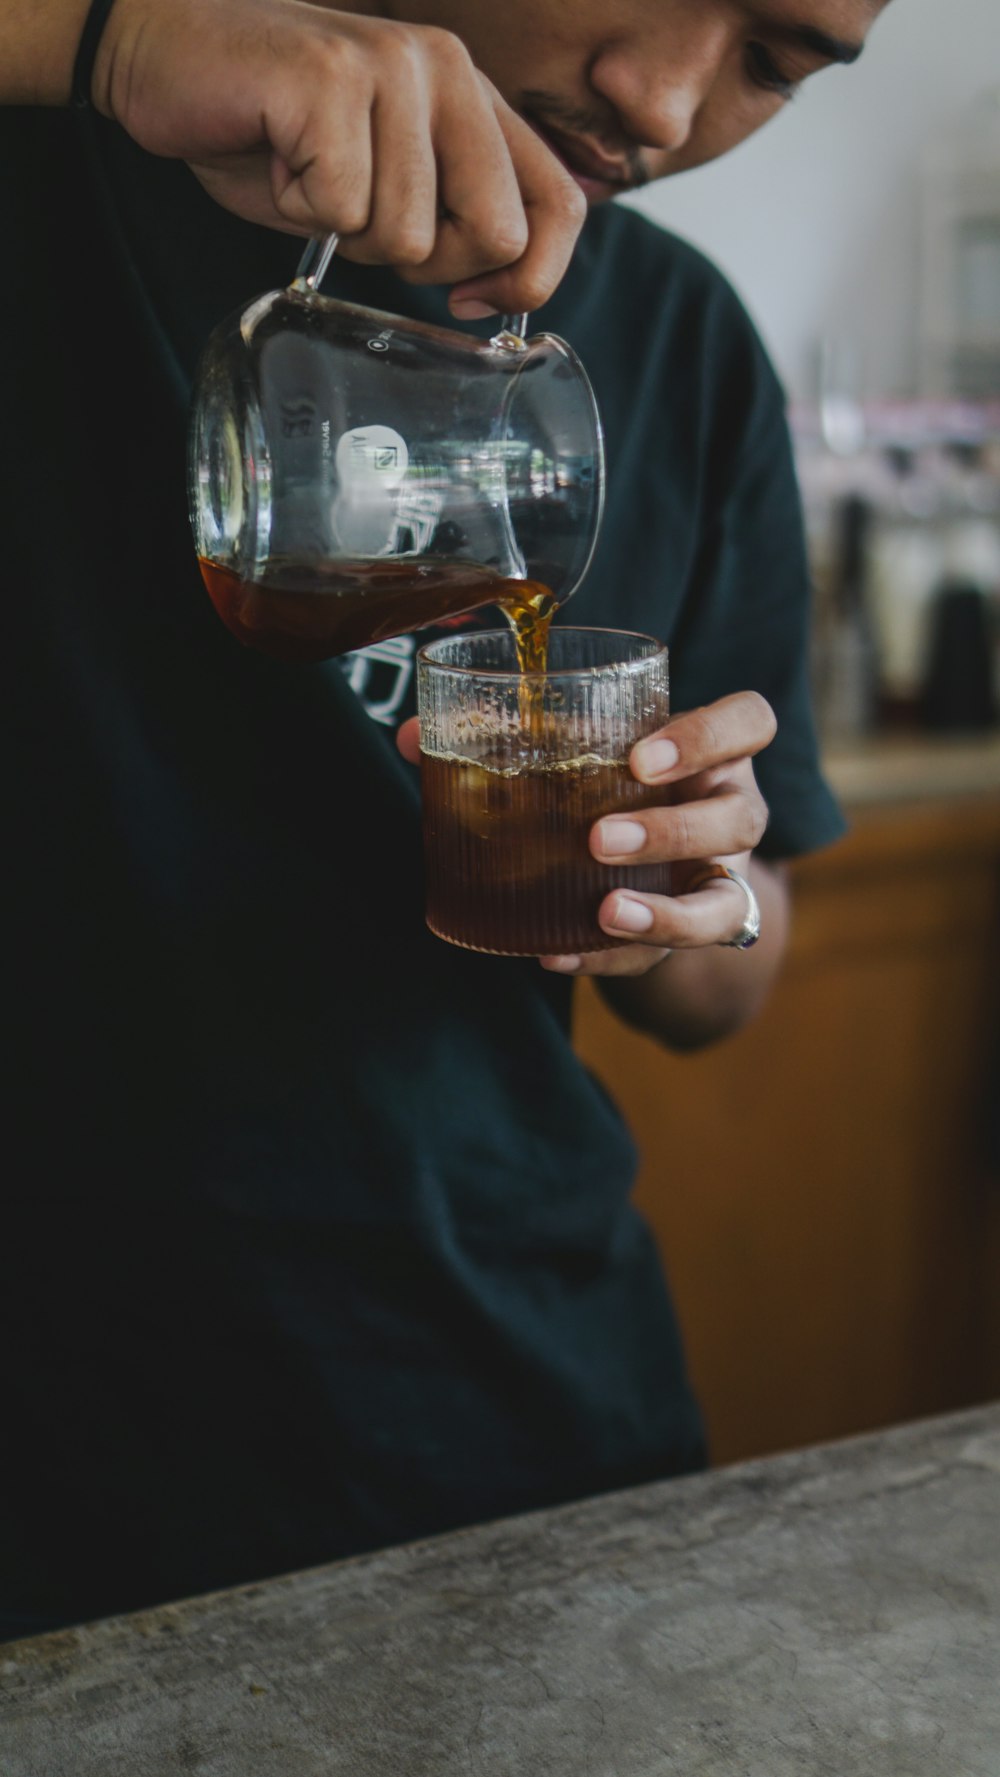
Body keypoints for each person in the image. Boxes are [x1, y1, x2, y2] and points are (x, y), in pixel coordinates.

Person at [1, 0, 883, 1640]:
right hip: (54, 1469)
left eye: (773, 62)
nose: (665, 104)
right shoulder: (69, 135)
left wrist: (701, 890)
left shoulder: (684, 343)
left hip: (512, 1423)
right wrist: (105, 41)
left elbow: (734, 977)